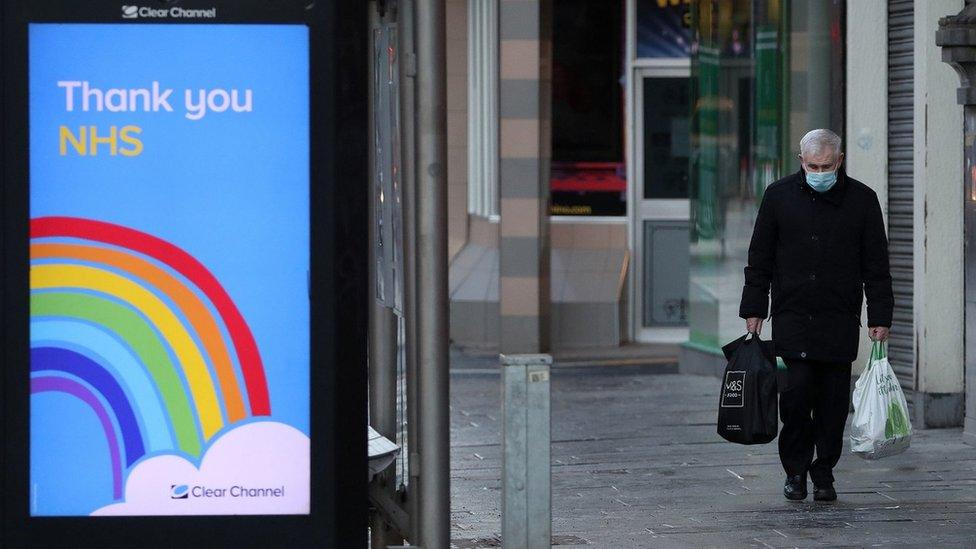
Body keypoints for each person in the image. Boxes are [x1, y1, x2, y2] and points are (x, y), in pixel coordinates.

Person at [738, 128, 894, 502]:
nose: (819, 171)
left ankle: (823, 470)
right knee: (795, 398)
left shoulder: (862, 200)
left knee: (833, 403)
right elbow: (759, 257)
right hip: (792, 315)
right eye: (812, 166)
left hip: (838, 318)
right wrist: (754, 308)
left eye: (826, 165)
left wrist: (880, 316)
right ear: (801, 161)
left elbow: (876, 265)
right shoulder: (778, 196)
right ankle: (795, 471)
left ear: (839, 161)